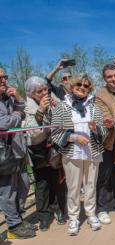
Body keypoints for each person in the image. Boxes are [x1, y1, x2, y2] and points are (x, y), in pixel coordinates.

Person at [51, 73, 108, 235]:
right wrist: (73, 137)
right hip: (72, 153)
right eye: (79, 85)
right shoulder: (62, 106)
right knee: (73, 187)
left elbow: (104, 130)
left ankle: (91, 214)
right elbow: (54, 132)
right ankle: (74, 218)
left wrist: (96, 129)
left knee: (91, 186)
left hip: (93, 152)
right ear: (71, 87)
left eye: (86, 86)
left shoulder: (94, 107)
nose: (82, 88)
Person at [22, 76, 67, 231]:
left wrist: (58, 107)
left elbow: (66, 119)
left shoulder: (53, 99)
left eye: (45, 89)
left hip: (54, 148)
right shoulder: (28, 107)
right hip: (38, 150)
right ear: (31, 94)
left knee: (57, 181)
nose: (44, 93)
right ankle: (44, 217)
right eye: (39, 91)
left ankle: (59, 210)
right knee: (42, 185)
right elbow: (33, 132)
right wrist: (41, 110)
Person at [0, 68, 35, 239]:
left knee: (24, 184)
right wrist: (17, 114)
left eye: (5, 77)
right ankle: (13, 226)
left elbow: (22, 110)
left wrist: (19, 98)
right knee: (8, 190)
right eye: (0, 78)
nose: (4, 80)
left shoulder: (7, 97)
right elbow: (3, 123)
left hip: (18, 149)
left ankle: (19, 218)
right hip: (4, 154)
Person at [95, 64, 115, 224]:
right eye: (109, 76)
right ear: (105, 79)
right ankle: (102, 208)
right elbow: (107, 120)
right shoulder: (100, 95)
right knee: (104, 176)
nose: (113, 79)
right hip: (107, 141)